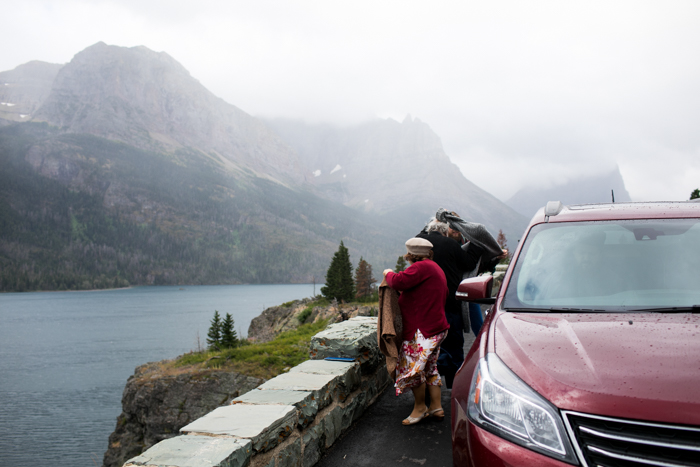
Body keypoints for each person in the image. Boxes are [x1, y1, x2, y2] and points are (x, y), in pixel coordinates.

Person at [383, 237, 450, 425]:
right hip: (435, 327)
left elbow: (398, 281)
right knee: (430, 367)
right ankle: (436, 407)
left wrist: (388, 273)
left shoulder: (420, 268)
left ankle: (420, 408)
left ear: (411, 255)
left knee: (413, 370)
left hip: (421, 330)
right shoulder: (435, 267)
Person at [416, 220, 479, 388]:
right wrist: (476, 246)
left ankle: (429, 381)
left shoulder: (421, 242)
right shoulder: (450, 244)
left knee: (428, 344)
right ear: (445, 231)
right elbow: (469, 263)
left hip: (426, 304)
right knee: (454, 343)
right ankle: (454, 383)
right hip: (450, 301)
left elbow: (417, 236)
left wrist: (432, 222)